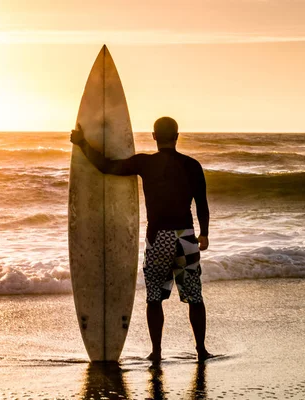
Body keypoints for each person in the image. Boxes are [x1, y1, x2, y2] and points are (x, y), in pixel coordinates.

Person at [70, 116, 211, 363]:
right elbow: (202, 204)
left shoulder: (146, 164)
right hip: (187, 237)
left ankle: (156, 352)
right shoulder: (192, 165)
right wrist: (204, 234)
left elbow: (106, 166)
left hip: (159, 238)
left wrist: (82, 143)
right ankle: (201, 350)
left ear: (154, 136)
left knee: (155, 297)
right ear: (177, 137)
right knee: (195, 296)